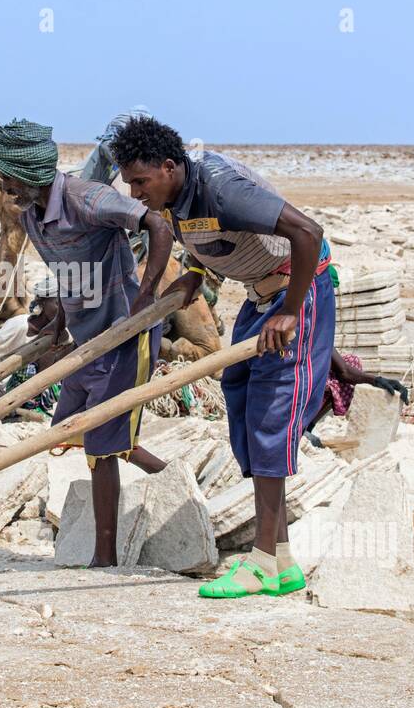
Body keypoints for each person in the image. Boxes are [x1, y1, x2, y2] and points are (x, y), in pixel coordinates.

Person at [112, 116, 334, 599]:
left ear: (169, 167)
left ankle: (259, 564)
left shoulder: (220, 187)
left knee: (270, 414)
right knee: (238, 398)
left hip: (298, 291)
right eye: (128, 182)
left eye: (140, 181)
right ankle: (281, 559)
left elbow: (308, 233)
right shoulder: (174, 199)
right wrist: (195, 273)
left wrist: (292, 312)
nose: (134, 192)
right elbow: (209, 240)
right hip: (258, 298)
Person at [0, 117, 174, 567]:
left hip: (127, 337)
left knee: (102, 444)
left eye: (8, 176)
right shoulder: (33, 218)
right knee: (71, 431)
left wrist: (144, 299)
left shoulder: (87, 198)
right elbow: (67, 275)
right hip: (87, 339)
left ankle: (104, 557)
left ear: (29, 171)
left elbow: (158, 227)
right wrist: (59, 324)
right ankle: (173, 480)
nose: (4, 186)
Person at [0, 277, 66, 417]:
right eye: (58, 304)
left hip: (32, 389)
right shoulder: (20, 326)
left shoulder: (59, 330)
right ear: (42, 303)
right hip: (5, 392)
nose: (62, 311)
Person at [304, 352, 409, 446]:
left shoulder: (320, 334)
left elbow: (344, 370)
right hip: (294, 384)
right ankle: (297, 425)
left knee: (351, 361)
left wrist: (377, 380)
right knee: (318, 375)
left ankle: (308, 426)